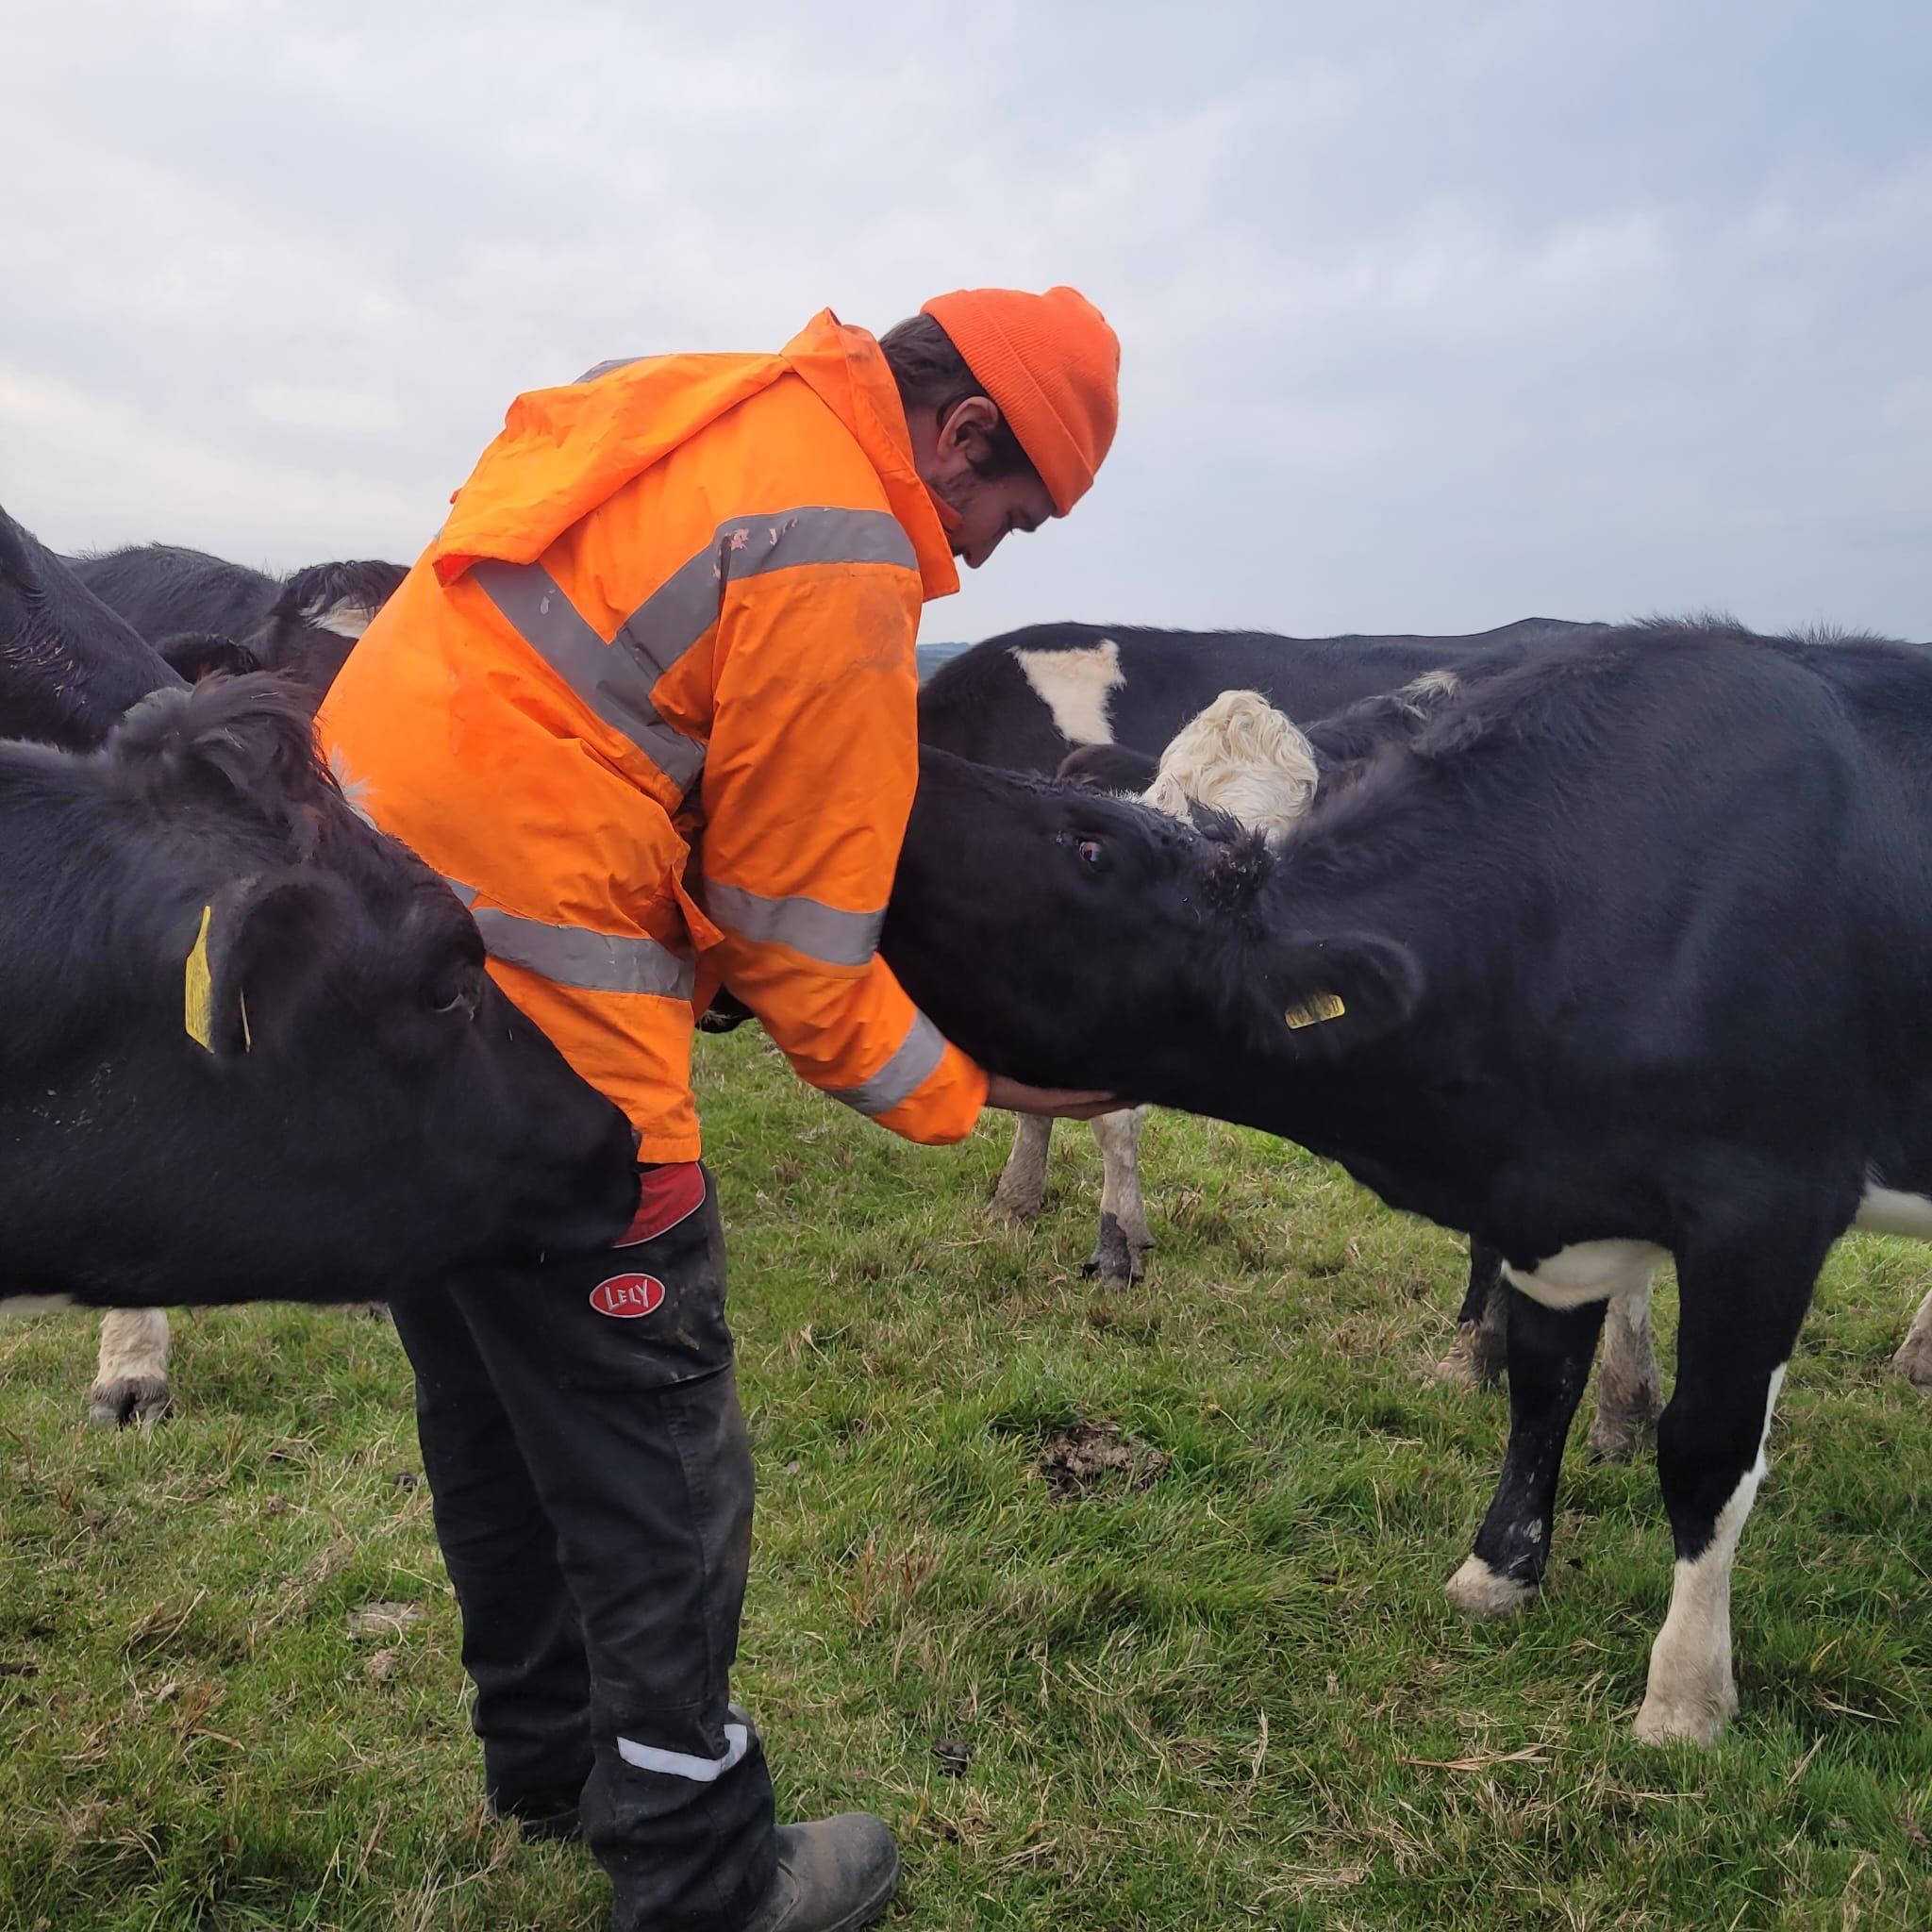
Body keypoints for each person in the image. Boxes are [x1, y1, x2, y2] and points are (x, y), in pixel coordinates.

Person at [316, 288, 1122, 1932]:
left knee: (484, 1398)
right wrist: (984, 1085)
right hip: (549, 1049)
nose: (984, 551)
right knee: (656, 1459)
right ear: (964, 434)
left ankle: (546, 1761)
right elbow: (801, 945)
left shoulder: (687, 409)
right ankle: (695, 1876)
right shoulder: (839, 543)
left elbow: (592, 710)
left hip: (374, 971)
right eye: (1007, 514)